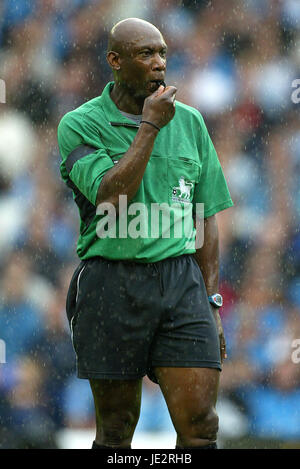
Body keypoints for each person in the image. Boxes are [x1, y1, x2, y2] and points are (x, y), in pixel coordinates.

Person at [57, 17, 233, 449]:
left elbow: (204, 214)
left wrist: (211, 300)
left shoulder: (190, 122)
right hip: (111, 281)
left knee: (201, 427)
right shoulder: (79, 125)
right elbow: (110, 196)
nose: (158, 64)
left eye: (162, 54)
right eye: (145, 54)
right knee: (116, 432)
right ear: (115, 61)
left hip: (180, 283)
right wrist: (150, 126)